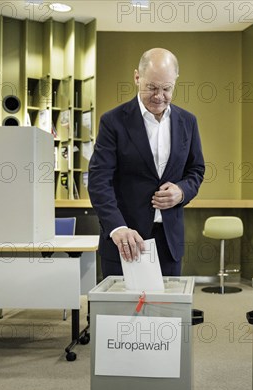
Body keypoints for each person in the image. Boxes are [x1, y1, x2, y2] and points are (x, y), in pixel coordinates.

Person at [88, 48, 205, 278]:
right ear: (136, 77)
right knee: (121, 312)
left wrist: (182, 192)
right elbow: (99, 180)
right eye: (151, 87)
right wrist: (117, 228)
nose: (159, 96)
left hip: (169, 241)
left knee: (166, 311)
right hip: (125, 239)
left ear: (175, 82)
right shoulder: (113, 122)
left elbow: (196, 170)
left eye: (166, 88)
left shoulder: (188, 122)